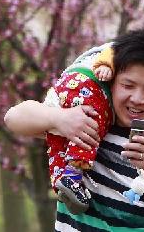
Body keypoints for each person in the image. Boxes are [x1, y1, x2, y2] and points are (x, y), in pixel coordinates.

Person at [4, 24, 144, 231]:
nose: (137, 99)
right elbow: (13, 118)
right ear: (111, 81)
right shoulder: (89, 121)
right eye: (127, 86)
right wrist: (59, 118)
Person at [45, 42, 116, 214]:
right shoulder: (121, 49)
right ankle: (73, 175)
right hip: (83, 84)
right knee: (89, 126)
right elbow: (113, 52)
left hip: (61, 89)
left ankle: (62, 183)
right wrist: (106, 66)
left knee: (58, 139)